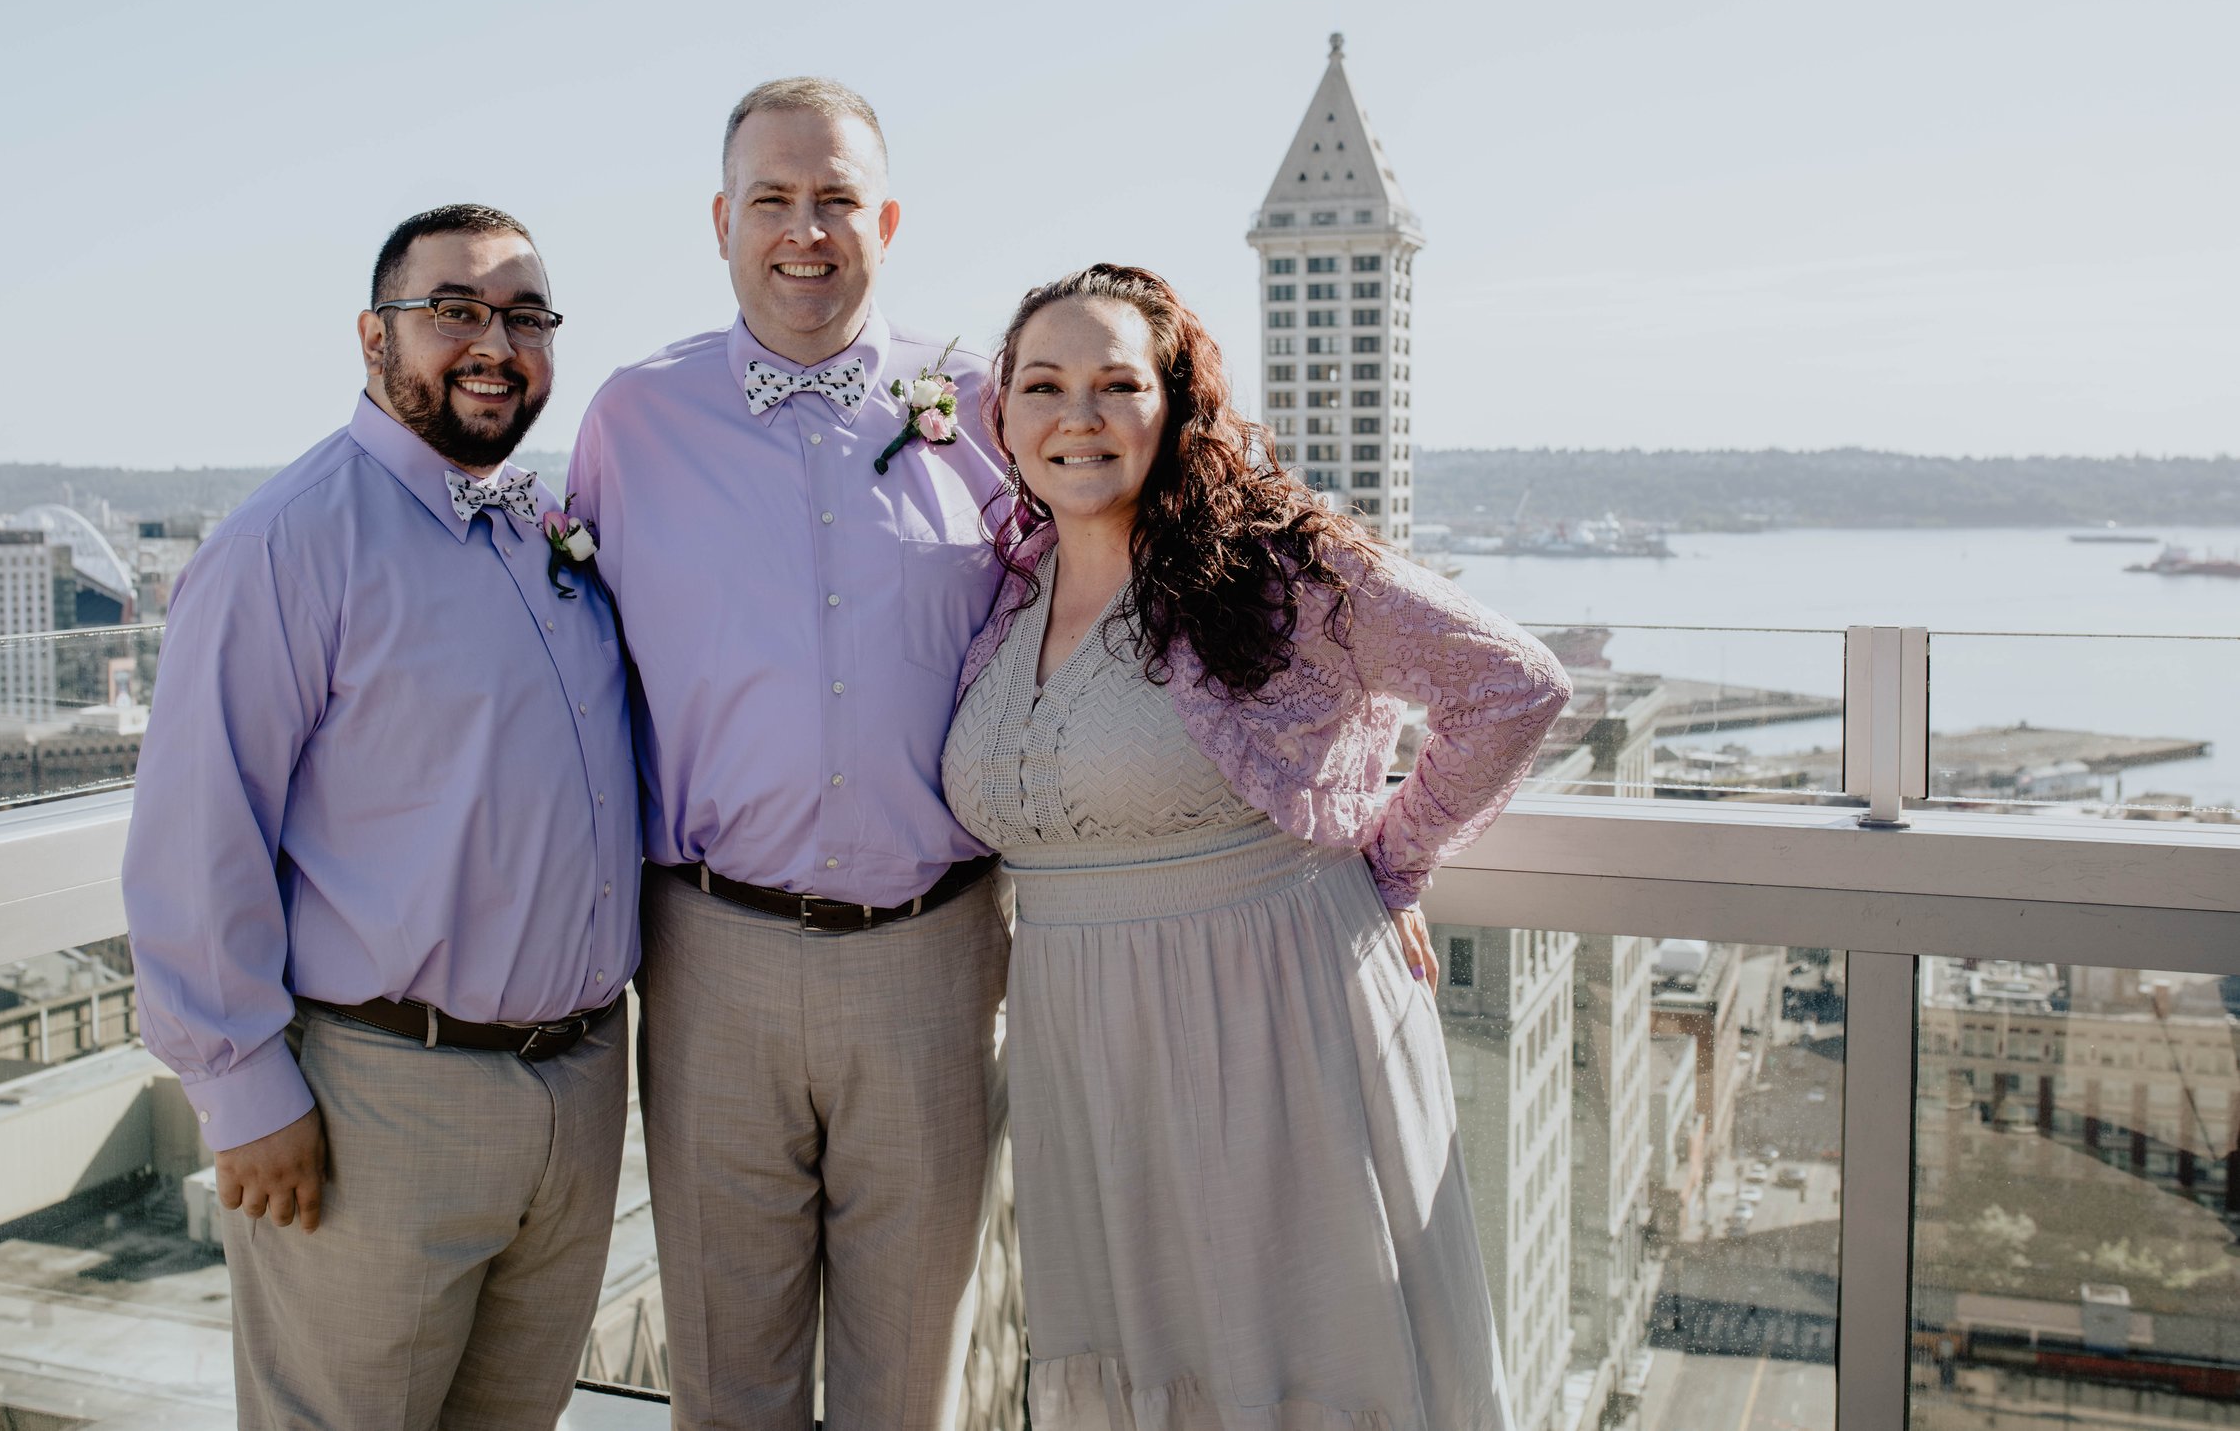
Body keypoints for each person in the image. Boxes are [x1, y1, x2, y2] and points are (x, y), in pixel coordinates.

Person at [941, 264, 1572, 1431]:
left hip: (1271, 1021)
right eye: (1042, 384)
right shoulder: (1007, 594)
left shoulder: (1271, 566)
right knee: (1144, 1362)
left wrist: (1390, 861)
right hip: (1084, 1042)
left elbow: (1508, 683)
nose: (1076, 415)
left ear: (1173, 406)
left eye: (1116, 382)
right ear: (1002, 417)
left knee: (1288, 1358)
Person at [121, 204, 641, 1431]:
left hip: (577, 1087)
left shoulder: (543, 524)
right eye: (452, 308)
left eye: (524, 314)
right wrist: (244, 1093)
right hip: (379, 1099)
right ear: (373, 337)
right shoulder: (286, 545)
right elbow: (200, 829)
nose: (491, 341)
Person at [568, 78, 1009, 1429]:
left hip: (938, 960)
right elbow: (552, 663)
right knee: (728, 1380)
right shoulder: (629, 423)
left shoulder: (993, 410)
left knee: (908, 1387)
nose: (803, 231)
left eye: (834, 200)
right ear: (722, 221)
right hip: (713, 959)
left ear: (884, 218)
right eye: (772, 199)